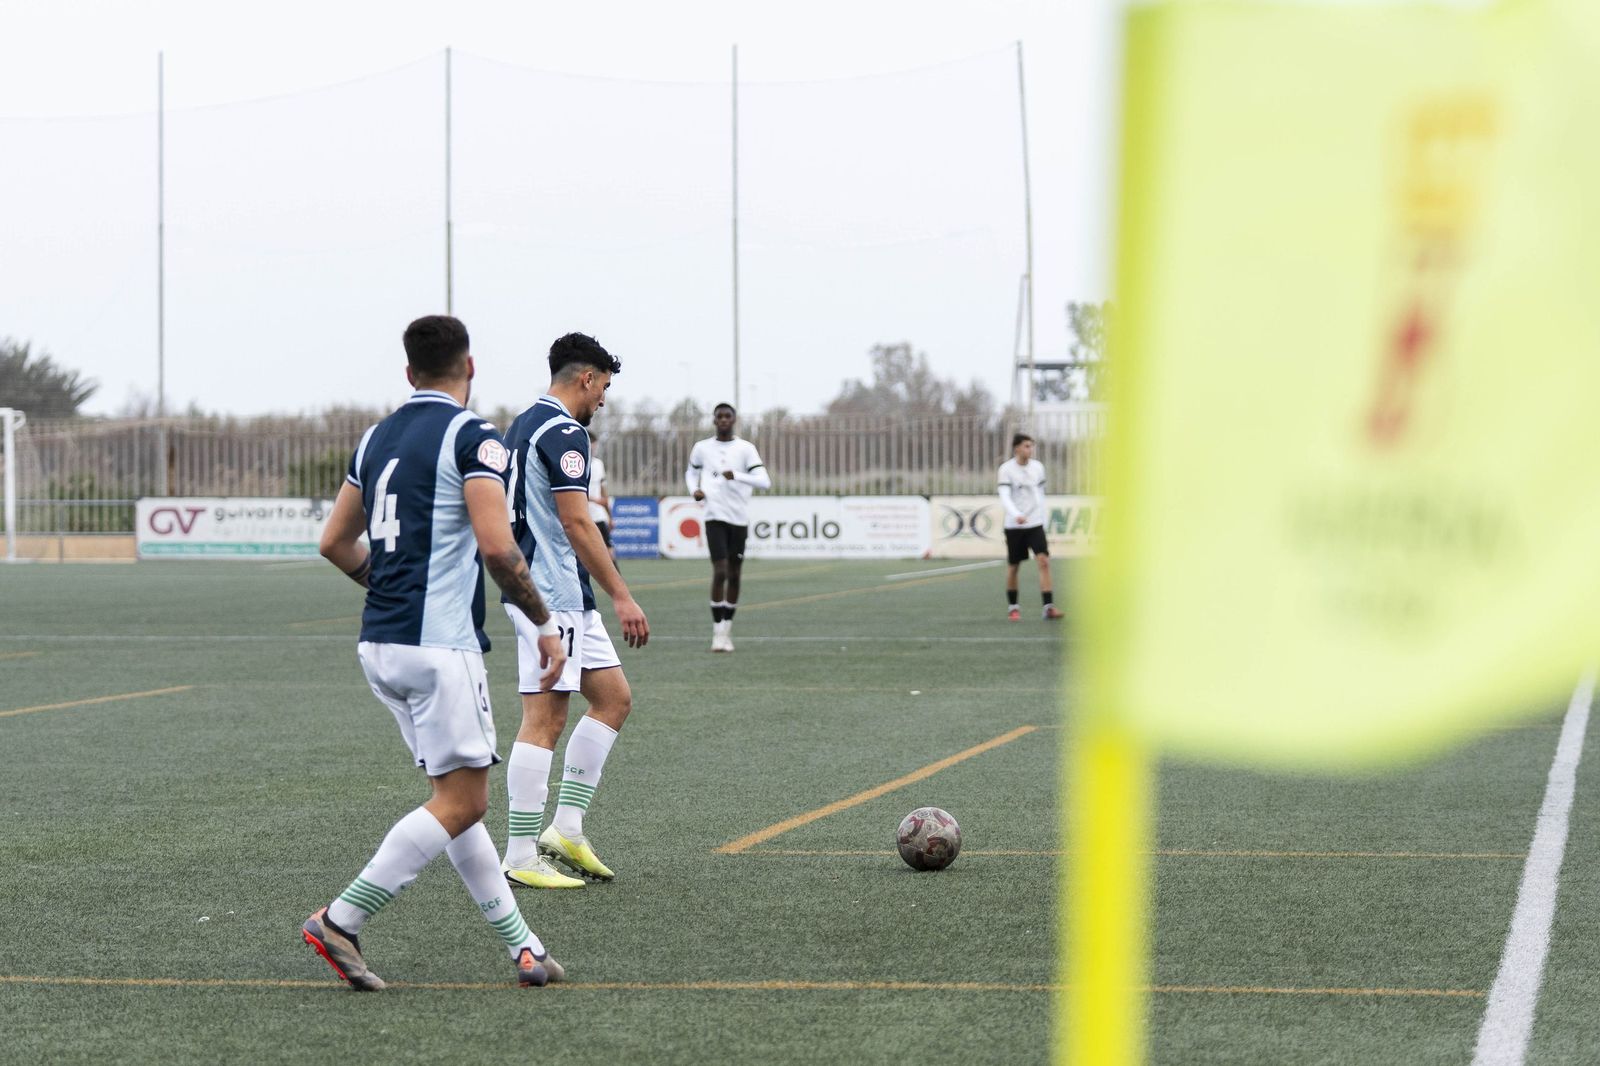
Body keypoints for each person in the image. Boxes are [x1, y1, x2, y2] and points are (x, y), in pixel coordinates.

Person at [303, 314, 569, 991]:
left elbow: (334, 542)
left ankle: (525, 948)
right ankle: (341, 919)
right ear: (469, 367)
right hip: (438, 647)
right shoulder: (473, 435)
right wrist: (543, 623)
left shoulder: (375, 437)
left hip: (380, 644)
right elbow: (499, 549)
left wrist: (388, 586)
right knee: (462, 802)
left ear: (408, 371)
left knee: (455, 798)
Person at [499, 333, 650, 889]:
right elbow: (577, 521)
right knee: (545, 720)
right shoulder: (565, 432)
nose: (603, 400)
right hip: (548, 593)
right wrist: (622, 595)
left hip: (565, 593)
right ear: (586, 378)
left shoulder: (521, 424)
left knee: (613, 699)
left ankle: (565, 828)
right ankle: (519, 854)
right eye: (603, 387)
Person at [685, 403, 771, 652]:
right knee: (720, 570)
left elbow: (764, 481)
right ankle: (716, 632)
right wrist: (695, 490)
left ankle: (726, 630)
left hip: (739, 518)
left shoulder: (745, 449)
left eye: (727, 416)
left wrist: (737, 475)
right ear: (714, 420)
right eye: (719, 416)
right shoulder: (702, 448)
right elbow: (691, 473)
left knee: (734, 574)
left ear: (734, 420)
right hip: (714, 515)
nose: (723, 420)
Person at [999, 432, 1063, 622]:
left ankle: (1048, 607)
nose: (1030, 449)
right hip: (1014, 526)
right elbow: (1004, 496)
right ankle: (1013, 607)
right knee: (1014, 566)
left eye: (1032, 446)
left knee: (1044, 561)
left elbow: (1040, 494)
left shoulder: (1038, 467)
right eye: (1027, 446)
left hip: (1035, 523)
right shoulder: (1006, 469)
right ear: (1017, 448)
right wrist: (1016, 514)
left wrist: (1042, 517)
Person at [586, 432, 617, 564]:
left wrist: (610, 517)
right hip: (583, 515)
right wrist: (592, 499)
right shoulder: (577, 462)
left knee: (609, 550)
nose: (594, 449)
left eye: (595, 446)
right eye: (592, 446)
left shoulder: (598, 464)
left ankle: (616, 577)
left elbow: (603, 492)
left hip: (598, 515)